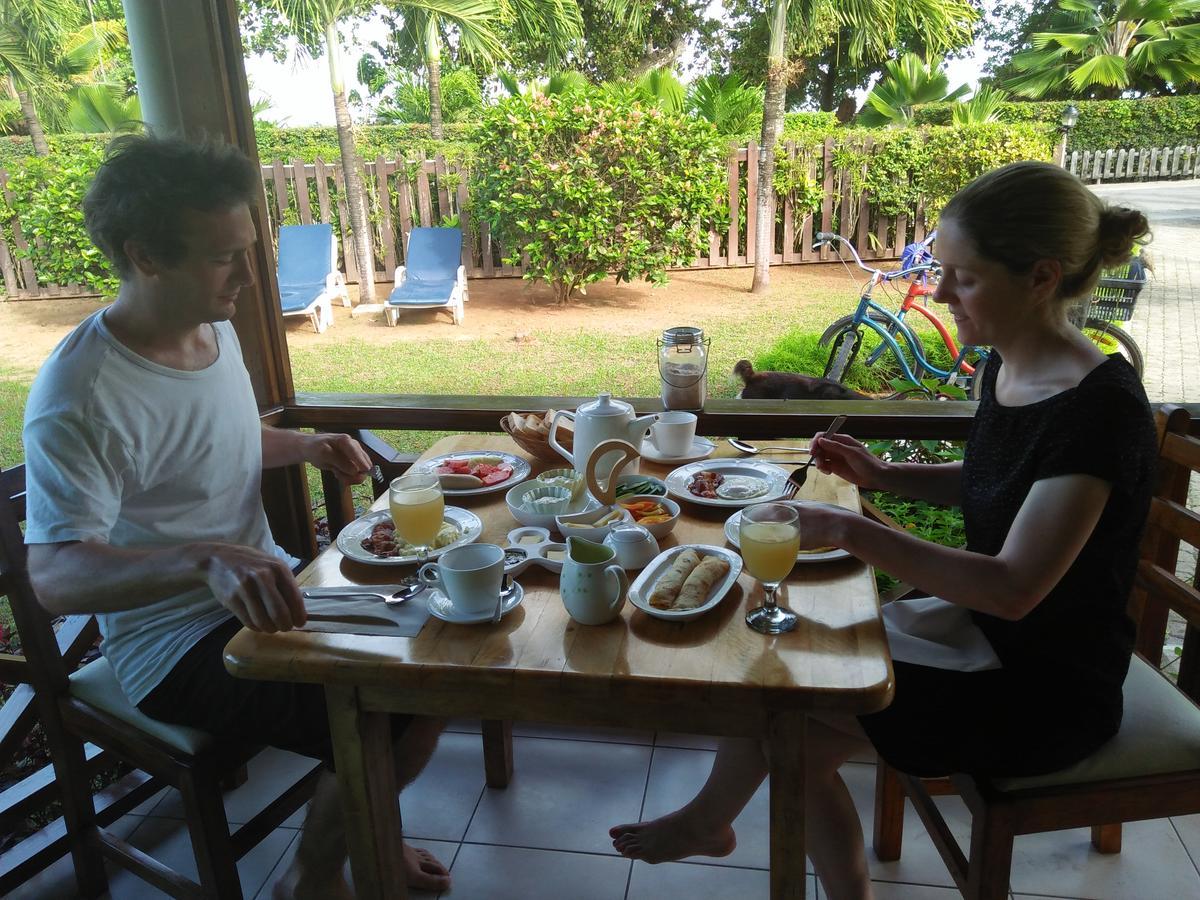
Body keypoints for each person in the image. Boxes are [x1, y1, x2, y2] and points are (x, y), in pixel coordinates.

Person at [610, 161, 1157, 899]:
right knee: (776, 669)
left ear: (1040, 277)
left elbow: (1014, 590)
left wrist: (849, 527)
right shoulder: (1009, 366)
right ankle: (737, 836)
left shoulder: (1101, 409)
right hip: (976, 635)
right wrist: (886, 477)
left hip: (1041, 685)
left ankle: (719, 827)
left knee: (787, 711)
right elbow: (1004, 486)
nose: (937, 292)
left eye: (961, 276)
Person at [22, 135, 450, 898]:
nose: (252, 277)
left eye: (249, 251)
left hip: (271, 594)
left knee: (433, 660)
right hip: (170, 643)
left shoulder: (211, 329)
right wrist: (201, 559)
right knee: (387, 708)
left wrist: (309, 447)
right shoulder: (81, 393)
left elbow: (225, 438)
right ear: (144, 256)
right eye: (226, 257)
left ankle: (362, 824)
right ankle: (315, 879)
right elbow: (53, 575)